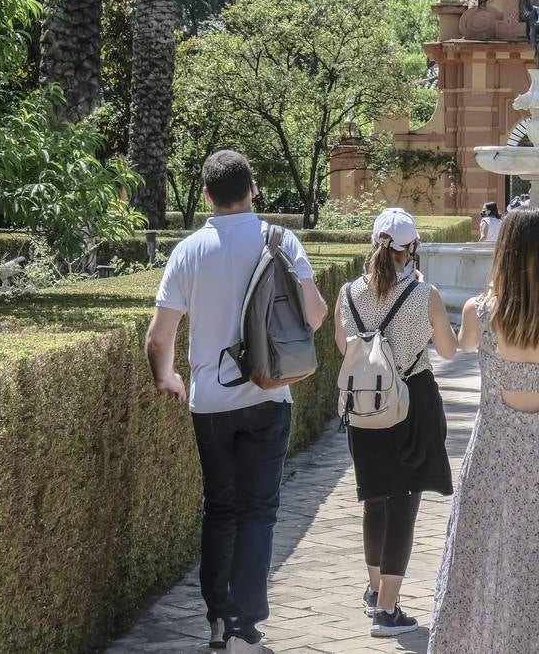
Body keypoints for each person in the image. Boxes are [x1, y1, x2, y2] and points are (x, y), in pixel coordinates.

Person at [145, 150, 328, 654]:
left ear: (206, 195)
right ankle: (247, 627)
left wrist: (168, 377)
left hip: (210, 403)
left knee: (219, 509)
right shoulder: (281, 241)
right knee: (258, 512)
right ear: (254, 189)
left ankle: (217, 621)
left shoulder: (187, 251)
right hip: (270, 395)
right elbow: (312, 316)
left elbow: (159, 338)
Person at [430, 210, 539, 654]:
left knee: (476, 557)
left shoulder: (481, 310)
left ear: (505, 250)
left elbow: (460, 345)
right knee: (538, 565)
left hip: (491, 454)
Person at [336, 208, 459, 638]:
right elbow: (448, 350)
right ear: (411, 250)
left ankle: (375, 592)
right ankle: (387, 611)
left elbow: (343, 348)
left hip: (364, 405)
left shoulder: (348, 293)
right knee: (404, 503)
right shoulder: (425, 295)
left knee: (374, 498)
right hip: (412, 402)